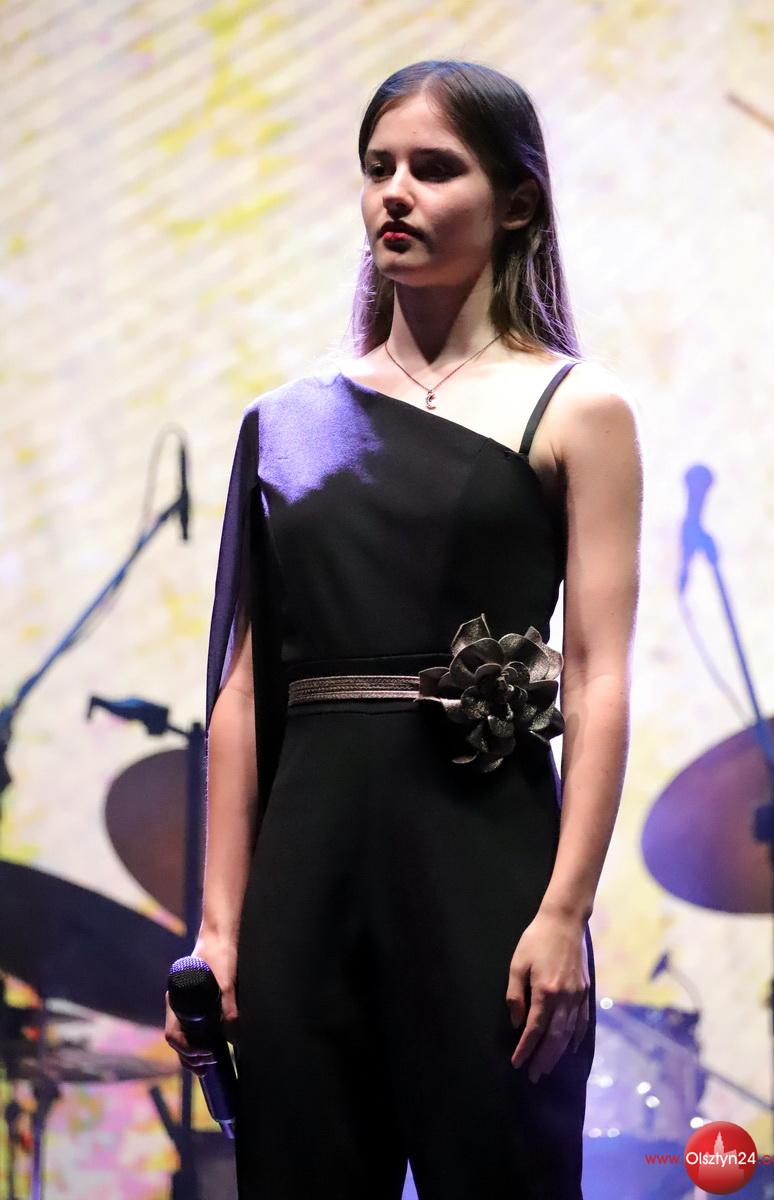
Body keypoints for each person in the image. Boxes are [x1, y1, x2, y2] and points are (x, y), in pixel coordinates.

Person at [165, 58, 642, 1200]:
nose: (396, 192)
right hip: (308, 878)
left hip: (486, 871)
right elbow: (240, 693)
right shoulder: (284, 426)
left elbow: (597, 676)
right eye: (378, 167)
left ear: (515, 201)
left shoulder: (577, 408)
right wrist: (220, 930)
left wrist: (565, 912)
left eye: (434, 168)